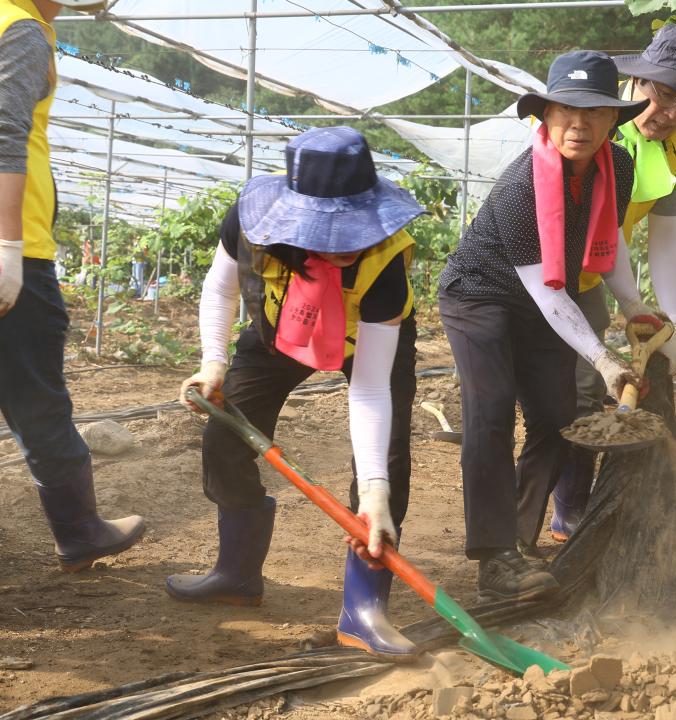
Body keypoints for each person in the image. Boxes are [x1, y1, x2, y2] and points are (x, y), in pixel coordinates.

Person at [171, 127, 425, 660]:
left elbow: (371, 389)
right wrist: (213, 363)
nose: (337, 245)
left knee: (386, 463)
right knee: (226, 434)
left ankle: (364, 608)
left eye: (348, 233)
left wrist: (375, 492)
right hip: (282, 325)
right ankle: (237, 573)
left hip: (366, 340)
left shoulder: (384, 267)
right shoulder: (252, 221)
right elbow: (219, 286)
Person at [438, 50, 653, 602]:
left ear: (613, 120)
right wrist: (603, 359)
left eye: (593, 112)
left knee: (559, 420)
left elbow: (608, 239)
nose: (577, 124)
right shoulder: (521, 187)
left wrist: (634, 307)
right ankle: (493, 558)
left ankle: (518, 544)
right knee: (489, 414)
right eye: (563, 110)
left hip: (541, 306)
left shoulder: (618, 167)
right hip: (480, 297)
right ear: (544, 117)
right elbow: (548, 288)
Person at [546, 25, 676, 543]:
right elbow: (596, 223)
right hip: (544, 278)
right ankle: (549, 520)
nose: (669, 113)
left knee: (597, 391)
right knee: (569, 397)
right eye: (662, 93)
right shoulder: (596, 129)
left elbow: (663, 239)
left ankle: (572, 513)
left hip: (594, 279)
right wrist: (629, 302)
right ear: (634, 82)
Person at [0, 0, 145, 572]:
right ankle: (79, 529)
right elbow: (4, 130)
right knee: (37, 396)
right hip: (18, 251)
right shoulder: (21, 29)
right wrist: (8, 246)